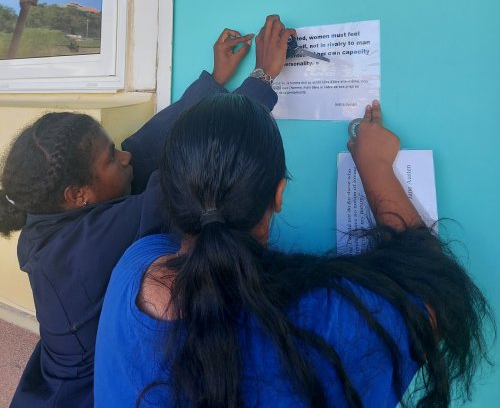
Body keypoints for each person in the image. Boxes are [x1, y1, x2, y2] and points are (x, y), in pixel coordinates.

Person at [94, 95, 494, 408]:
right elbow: (434, 298)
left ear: (172, 197)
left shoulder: (134, 266)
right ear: (279, 195)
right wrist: (375, 164)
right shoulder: (320, 326)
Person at [0, 15, 295, 407]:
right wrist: (262, 78)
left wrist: (214, 81)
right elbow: (197, 174)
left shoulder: (53, 213)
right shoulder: (83, 248)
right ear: (78, 195)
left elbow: (146, 144)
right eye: (110, 158)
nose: (124, 157)